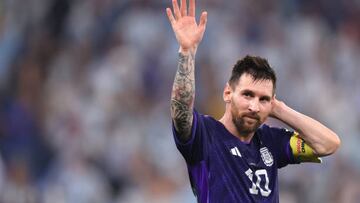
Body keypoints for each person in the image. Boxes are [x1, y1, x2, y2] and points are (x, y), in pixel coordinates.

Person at [166, 0, 341, 202]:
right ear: (228, 93)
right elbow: (181, 114)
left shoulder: (271, 141)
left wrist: (280, 109)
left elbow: (328, 144)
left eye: (263, 99)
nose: (254, 106)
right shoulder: (205, 135)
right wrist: (187, 52)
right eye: (247, 94)